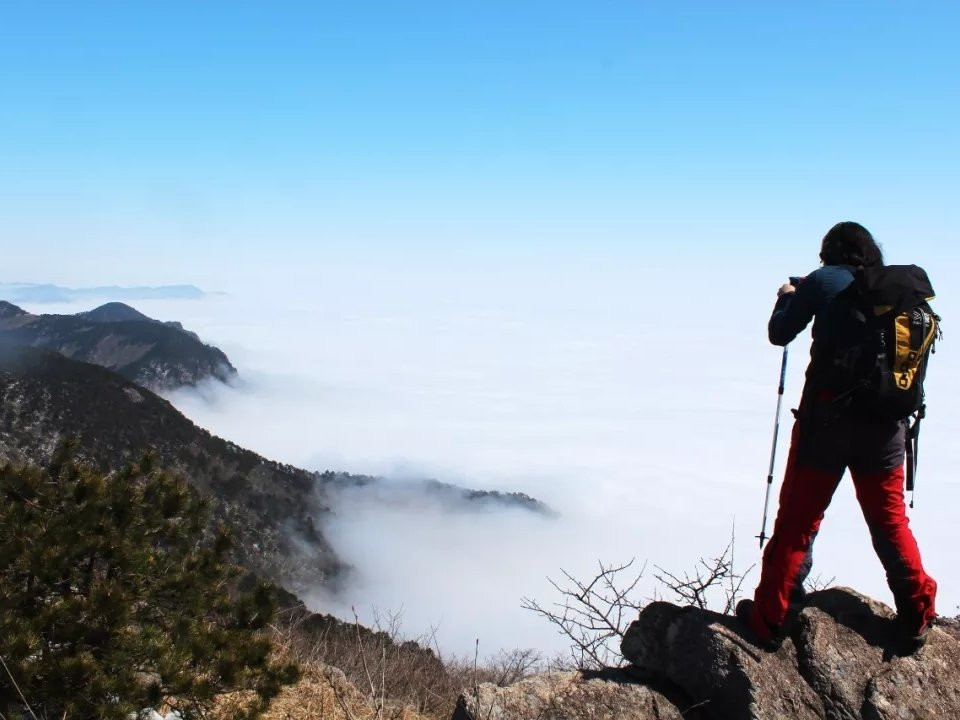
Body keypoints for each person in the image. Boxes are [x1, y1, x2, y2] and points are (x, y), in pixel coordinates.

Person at [736, 221, 938, 651]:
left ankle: (770, 619)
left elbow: (779, 333)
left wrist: (787, 297)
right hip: (887, 429)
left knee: (798, 521)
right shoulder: (898, 294)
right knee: (890, 522)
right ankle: (918, 616)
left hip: (826, 426)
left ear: (829, 252)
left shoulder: (822, 280)